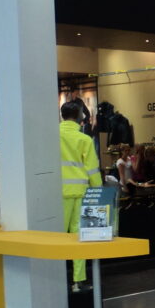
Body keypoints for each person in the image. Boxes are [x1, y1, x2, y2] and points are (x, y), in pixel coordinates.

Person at [60, 102, 102, 291]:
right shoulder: (84, 139)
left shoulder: (51, 136)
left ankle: (56, 281)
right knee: (79, 237)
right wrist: (98, 191)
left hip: (58, 194)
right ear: (78, 116)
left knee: (57, 239)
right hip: (81, 193)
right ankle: (78, 281)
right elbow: (92, 169)